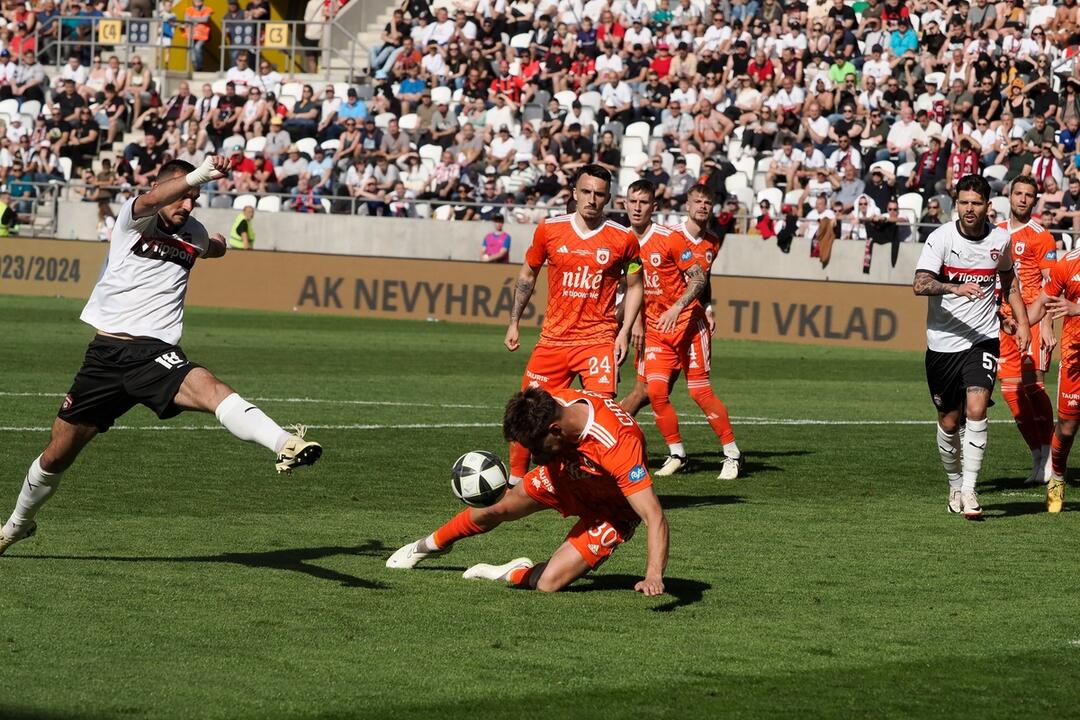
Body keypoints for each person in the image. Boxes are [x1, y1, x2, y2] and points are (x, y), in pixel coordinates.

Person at [0, 157, 323, 555]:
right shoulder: (135, 218)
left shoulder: (194, 231)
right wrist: (198, 175)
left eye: (195, 199)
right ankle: (16, 526)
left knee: (210, 387)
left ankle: (283, 442)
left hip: (154, 353)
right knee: (56, 455)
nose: (188, 205)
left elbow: (210, 248)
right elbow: (155, 196)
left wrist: (219, 245)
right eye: (184, 196)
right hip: (104, 356)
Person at [386, 387, 668, 597]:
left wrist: (653, 575)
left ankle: (508, 572)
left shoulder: (618, 444)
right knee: (498, 508)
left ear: (555, 430)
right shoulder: (552, 404)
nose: (533, 456)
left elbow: (654, 516)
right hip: (566, 476)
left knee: (549, 584)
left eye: (536, 447)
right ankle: (426, 546)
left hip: (612, 510)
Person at [502, 164, 643, 487]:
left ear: (608, 199)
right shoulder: (549, 230)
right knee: (528, 412)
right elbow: (527, 275)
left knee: (599, 418)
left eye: (599, 194)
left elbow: (636, 285)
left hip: (597, 342)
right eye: (587, 192)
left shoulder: (623, 239)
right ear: (575, 193)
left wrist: (623, 331)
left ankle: (596, 484)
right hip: (553, 340)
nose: (592, 199)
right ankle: (516, 483)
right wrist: (514, 322)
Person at [913, 173, 1030, 521]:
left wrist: (1021, 322)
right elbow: (919, 284)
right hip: (942, 343)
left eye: (975, 203)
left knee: (977, 409)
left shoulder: (1000, 240)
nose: (968, 209)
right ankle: (954, 483)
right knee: (949, 421)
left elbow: (1008, 281)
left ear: (987, 206)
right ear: (956, 204)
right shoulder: (941, 238)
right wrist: (953, 288)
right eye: (963, 202)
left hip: (981, 339)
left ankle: (970, 489)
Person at [662, 184, 742, 479]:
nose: (703, 207)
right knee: (657, 391)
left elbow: (704, 280)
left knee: (699, 391)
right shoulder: (669, 236)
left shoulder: (712, 241)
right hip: (664, 326)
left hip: (692, 323)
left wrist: (708, 307)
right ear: (687, 205)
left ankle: (732, 454)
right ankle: (676, 454)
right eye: (697, 201)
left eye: (707, 203)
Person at [995, 176, 1058, 485]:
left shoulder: (1042, 236)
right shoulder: (996, 234)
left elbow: (1051, 284)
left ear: (1035, 201)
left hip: (1032, 321)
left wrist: (1046, 323)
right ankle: (1036, 456)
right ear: (1010, 196)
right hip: (1005, 321)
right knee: (1010, 392)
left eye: (1028, 195)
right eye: (1018, 193)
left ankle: (1050, 456)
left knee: (1033, 388)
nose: (1022, 199)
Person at [1025, 247, 1080, 513]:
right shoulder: (1067, 263)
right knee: (1067, 428)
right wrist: (1020, 323)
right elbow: (1043, 301)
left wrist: (1077, 308)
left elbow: (1071, 306)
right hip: (1074, 360)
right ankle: (1057, 479)